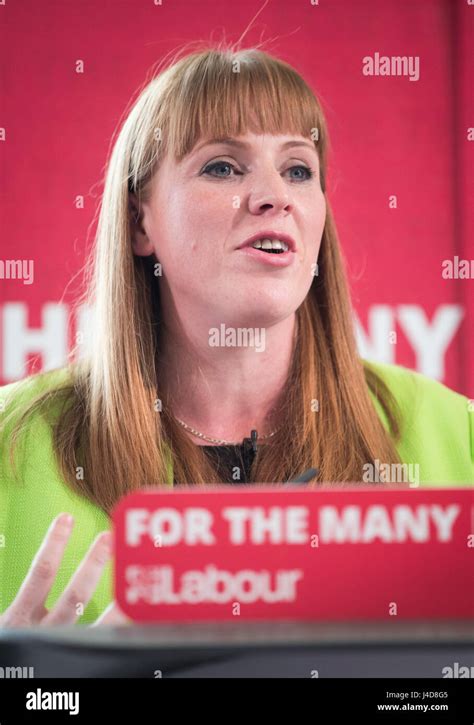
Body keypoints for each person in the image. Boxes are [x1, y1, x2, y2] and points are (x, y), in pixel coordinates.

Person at [0, 47, 472, 628]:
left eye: (299, 169)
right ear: (140, 222)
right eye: (223, 166)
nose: (275, 196)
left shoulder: (460, 438)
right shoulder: (9, 445)